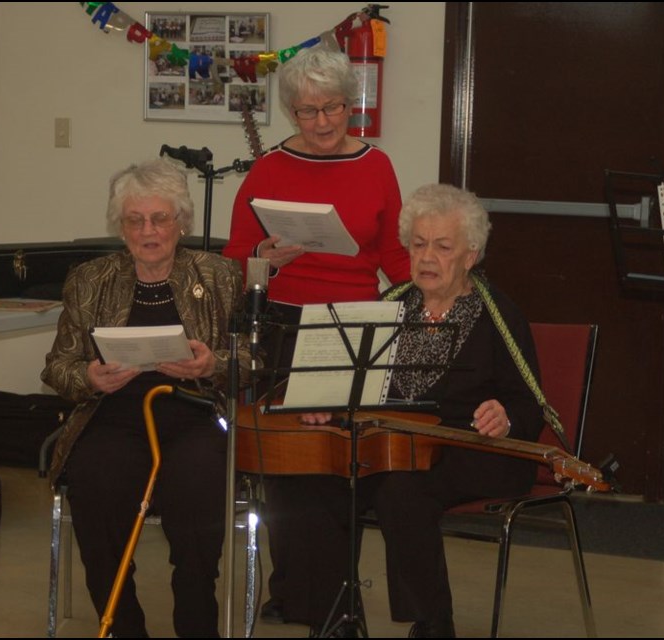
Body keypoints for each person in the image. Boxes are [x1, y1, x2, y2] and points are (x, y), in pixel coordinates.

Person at [297, 184, 544, 637]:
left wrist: (504, 415)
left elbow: (531, 405)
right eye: (418, 244)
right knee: (317, 481)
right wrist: (326, 402)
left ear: (470, 255)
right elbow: (352, 383)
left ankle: (432, 623)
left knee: (402, 489)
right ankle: (335, 618)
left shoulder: (498, 316)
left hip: (476, 450)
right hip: (391, 446)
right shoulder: (388, 307)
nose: (427, 257)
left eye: (443, 246)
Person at [222, 46, 410, 628]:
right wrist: (264, 257)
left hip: (354, 327)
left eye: (332, 108)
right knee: (288, 469)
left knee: (340, 465)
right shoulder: (269, 168)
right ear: (291, 113)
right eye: (307, 112)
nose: (323, 122)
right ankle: (296, 591)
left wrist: (424, 307)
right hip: (282, 324)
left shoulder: (376, 165)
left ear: (349, 105)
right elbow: (234, 261)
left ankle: (335, 596)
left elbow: (396, 255)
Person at [42, 158, 254, 638]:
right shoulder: (89, 279)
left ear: (182, 223)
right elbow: (57, 365)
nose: (149, 231)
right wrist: (90, 378)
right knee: (94, 481)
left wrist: (211, 365)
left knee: (200, 491)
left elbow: (254, 362)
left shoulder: (220, 276)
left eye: (160, 218)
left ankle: (197, 622)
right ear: (121, 227)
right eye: (135, 220)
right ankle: (123, 624)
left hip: (195, 414)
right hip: (114, 415)